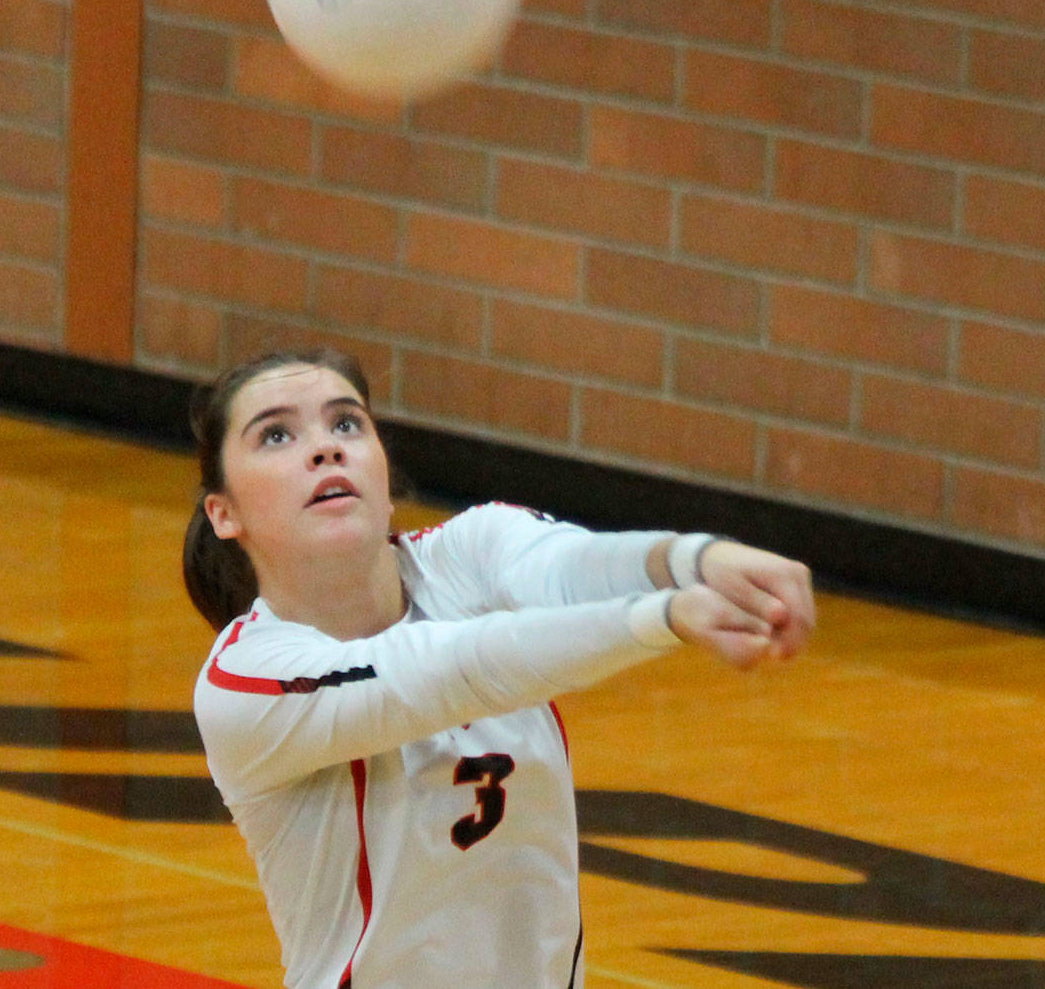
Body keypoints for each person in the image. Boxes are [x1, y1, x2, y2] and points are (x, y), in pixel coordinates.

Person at [184, 348, 815, 989]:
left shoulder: (474, 550)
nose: (325, 449)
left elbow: (578, 567)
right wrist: (666, 616)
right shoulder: (248, 682)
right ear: (224, 513)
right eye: (277, 435)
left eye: (346, 424)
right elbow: (452, 669)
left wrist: (697, 560)